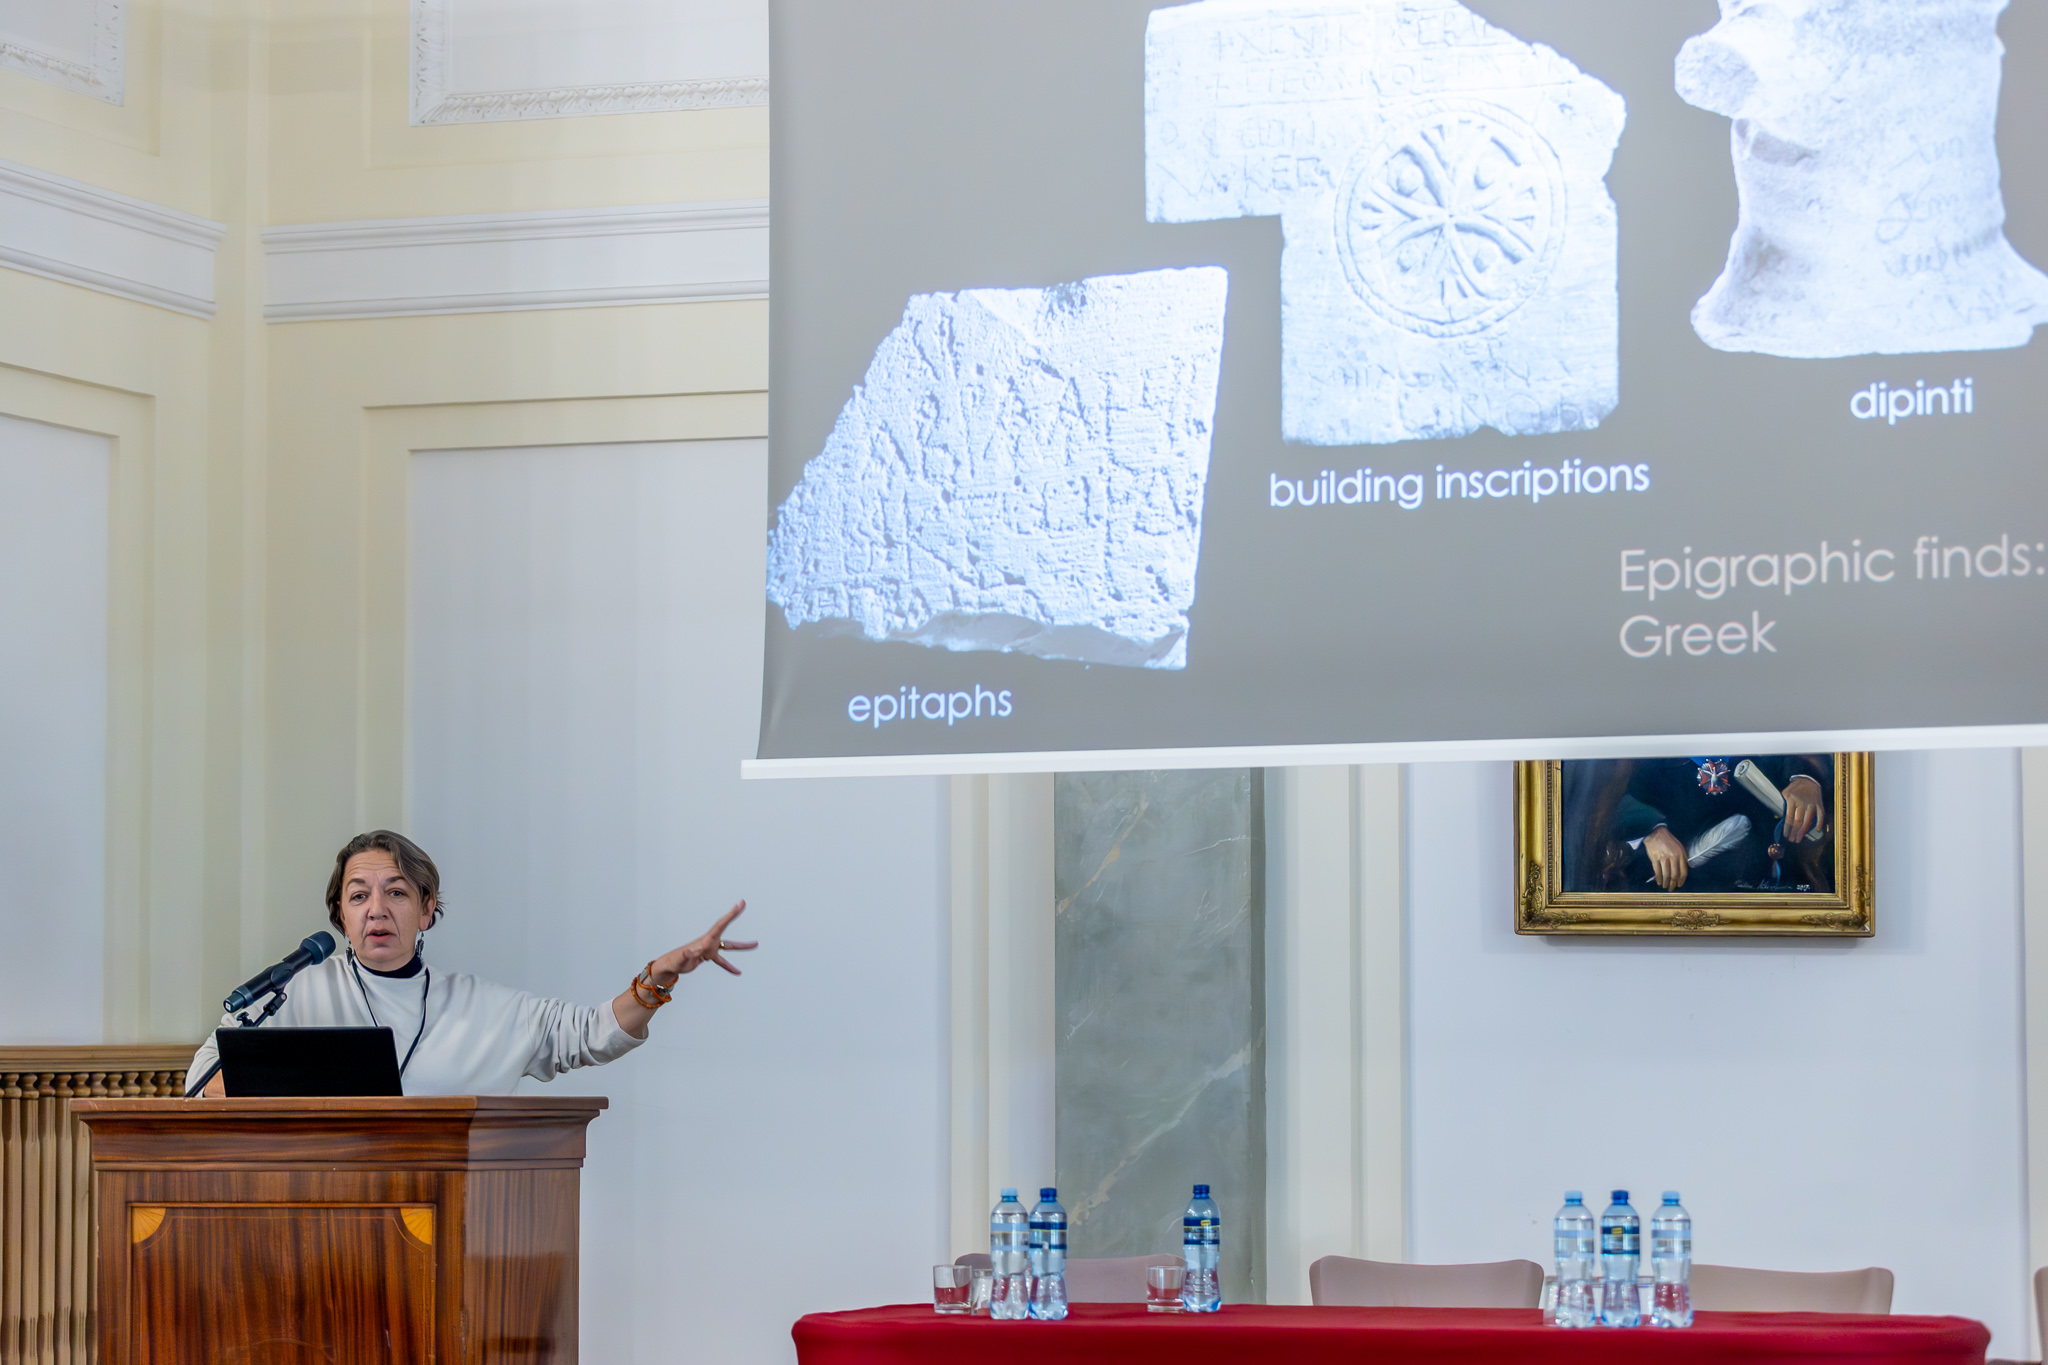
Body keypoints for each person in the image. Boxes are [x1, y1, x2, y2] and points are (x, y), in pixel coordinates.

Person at [187, 830, 756, 1096]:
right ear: (340, 914)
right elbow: (203, 1079)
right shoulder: (297, 994)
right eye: (358, 895)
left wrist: (658, 977)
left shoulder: (484, 1008)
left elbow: (590, 1034)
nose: (376, 909)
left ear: (427, 910)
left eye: (397, 892)